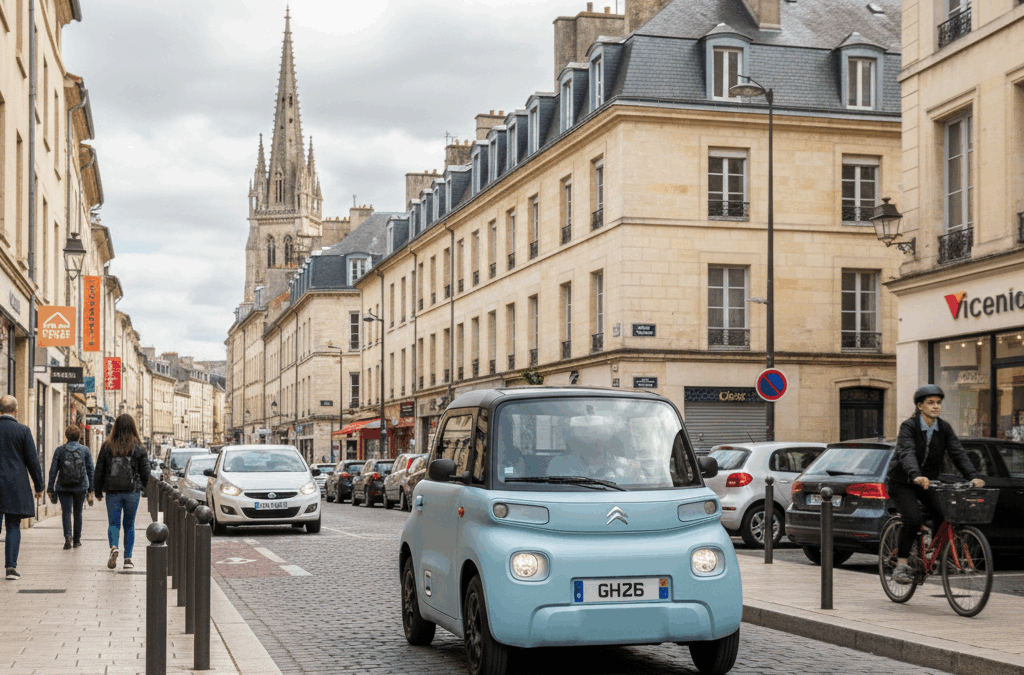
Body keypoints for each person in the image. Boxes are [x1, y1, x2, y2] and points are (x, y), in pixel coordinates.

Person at [887, 385, 985, 585]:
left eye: (938, 403)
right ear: (920, 406)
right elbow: (907, 451)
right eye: (930, 403)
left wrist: (973, 476)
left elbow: (957, 452)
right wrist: (915, 474)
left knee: (945, 514)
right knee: (913, 519)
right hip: (903, 481)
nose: (935, 406)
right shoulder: (909, 426)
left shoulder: (944, 428)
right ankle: (902, 564)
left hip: (928, 482)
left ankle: (938, 555)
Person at [94, 414, 149, 571]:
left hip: (112, 491)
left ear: (115, 427)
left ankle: (113, 547)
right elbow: (146, 471)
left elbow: (99, 470)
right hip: (132, 491)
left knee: (114, 523)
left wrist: (98, 491)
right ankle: (127, 558)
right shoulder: (138, 447)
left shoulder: (107, 446)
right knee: (129, 524)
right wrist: (143, 487)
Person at [0, 395, 44, 580]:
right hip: (15, 486)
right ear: (16, 412)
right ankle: (11, 568)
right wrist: (39, 486)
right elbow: (33, 460)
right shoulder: (23, 431)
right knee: (13, 525)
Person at [46, 424, 96, 550]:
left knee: (66, 512)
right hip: (80, 486)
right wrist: (91, 489)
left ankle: (68, 537)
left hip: (63, 487)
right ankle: (77, 540)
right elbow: (91, 470)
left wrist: (50, 488)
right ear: (79, 436)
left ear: (66, 436)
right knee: (78, 513)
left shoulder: (59, 450)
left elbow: (53, 471)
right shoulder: (85, 450)